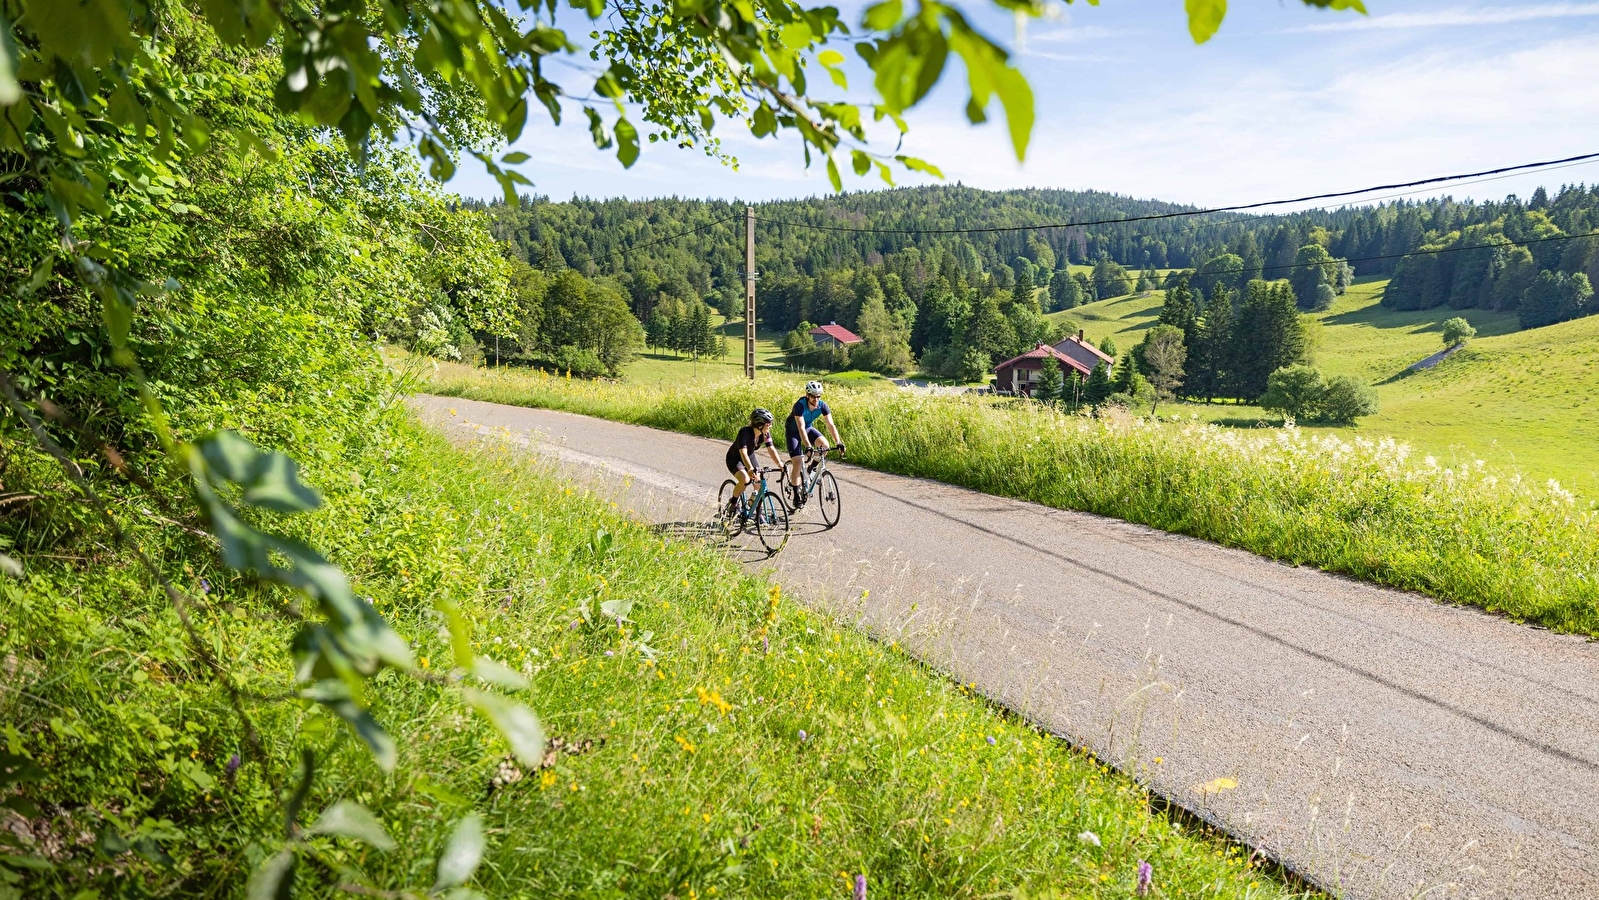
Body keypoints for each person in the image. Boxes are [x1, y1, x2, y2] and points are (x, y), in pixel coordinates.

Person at [786, 380, 843, 508]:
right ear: (807, 395)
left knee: (825, 446)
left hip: (808, 429)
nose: (816, 399)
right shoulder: (799, 406)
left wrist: (838, 442)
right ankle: (796, 496)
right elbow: (800, 428)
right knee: (797, 463)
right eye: (813, 396)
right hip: (793, 432)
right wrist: (808, 446)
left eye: (818, 396)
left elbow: (831, 425)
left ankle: (811, 468)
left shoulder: (822, 406)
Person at [726, 408, 783, 518]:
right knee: (745, 480)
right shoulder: (744, 432)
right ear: (760, 425)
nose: (770, 426)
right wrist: (750, 468)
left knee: (759, 483)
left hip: (749, 456)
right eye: (768, 424)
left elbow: (771, 448)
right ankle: (733, 502)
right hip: (735, 458)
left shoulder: (765, 434)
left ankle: (756, 509)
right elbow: (743, 452)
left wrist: (780, 464)